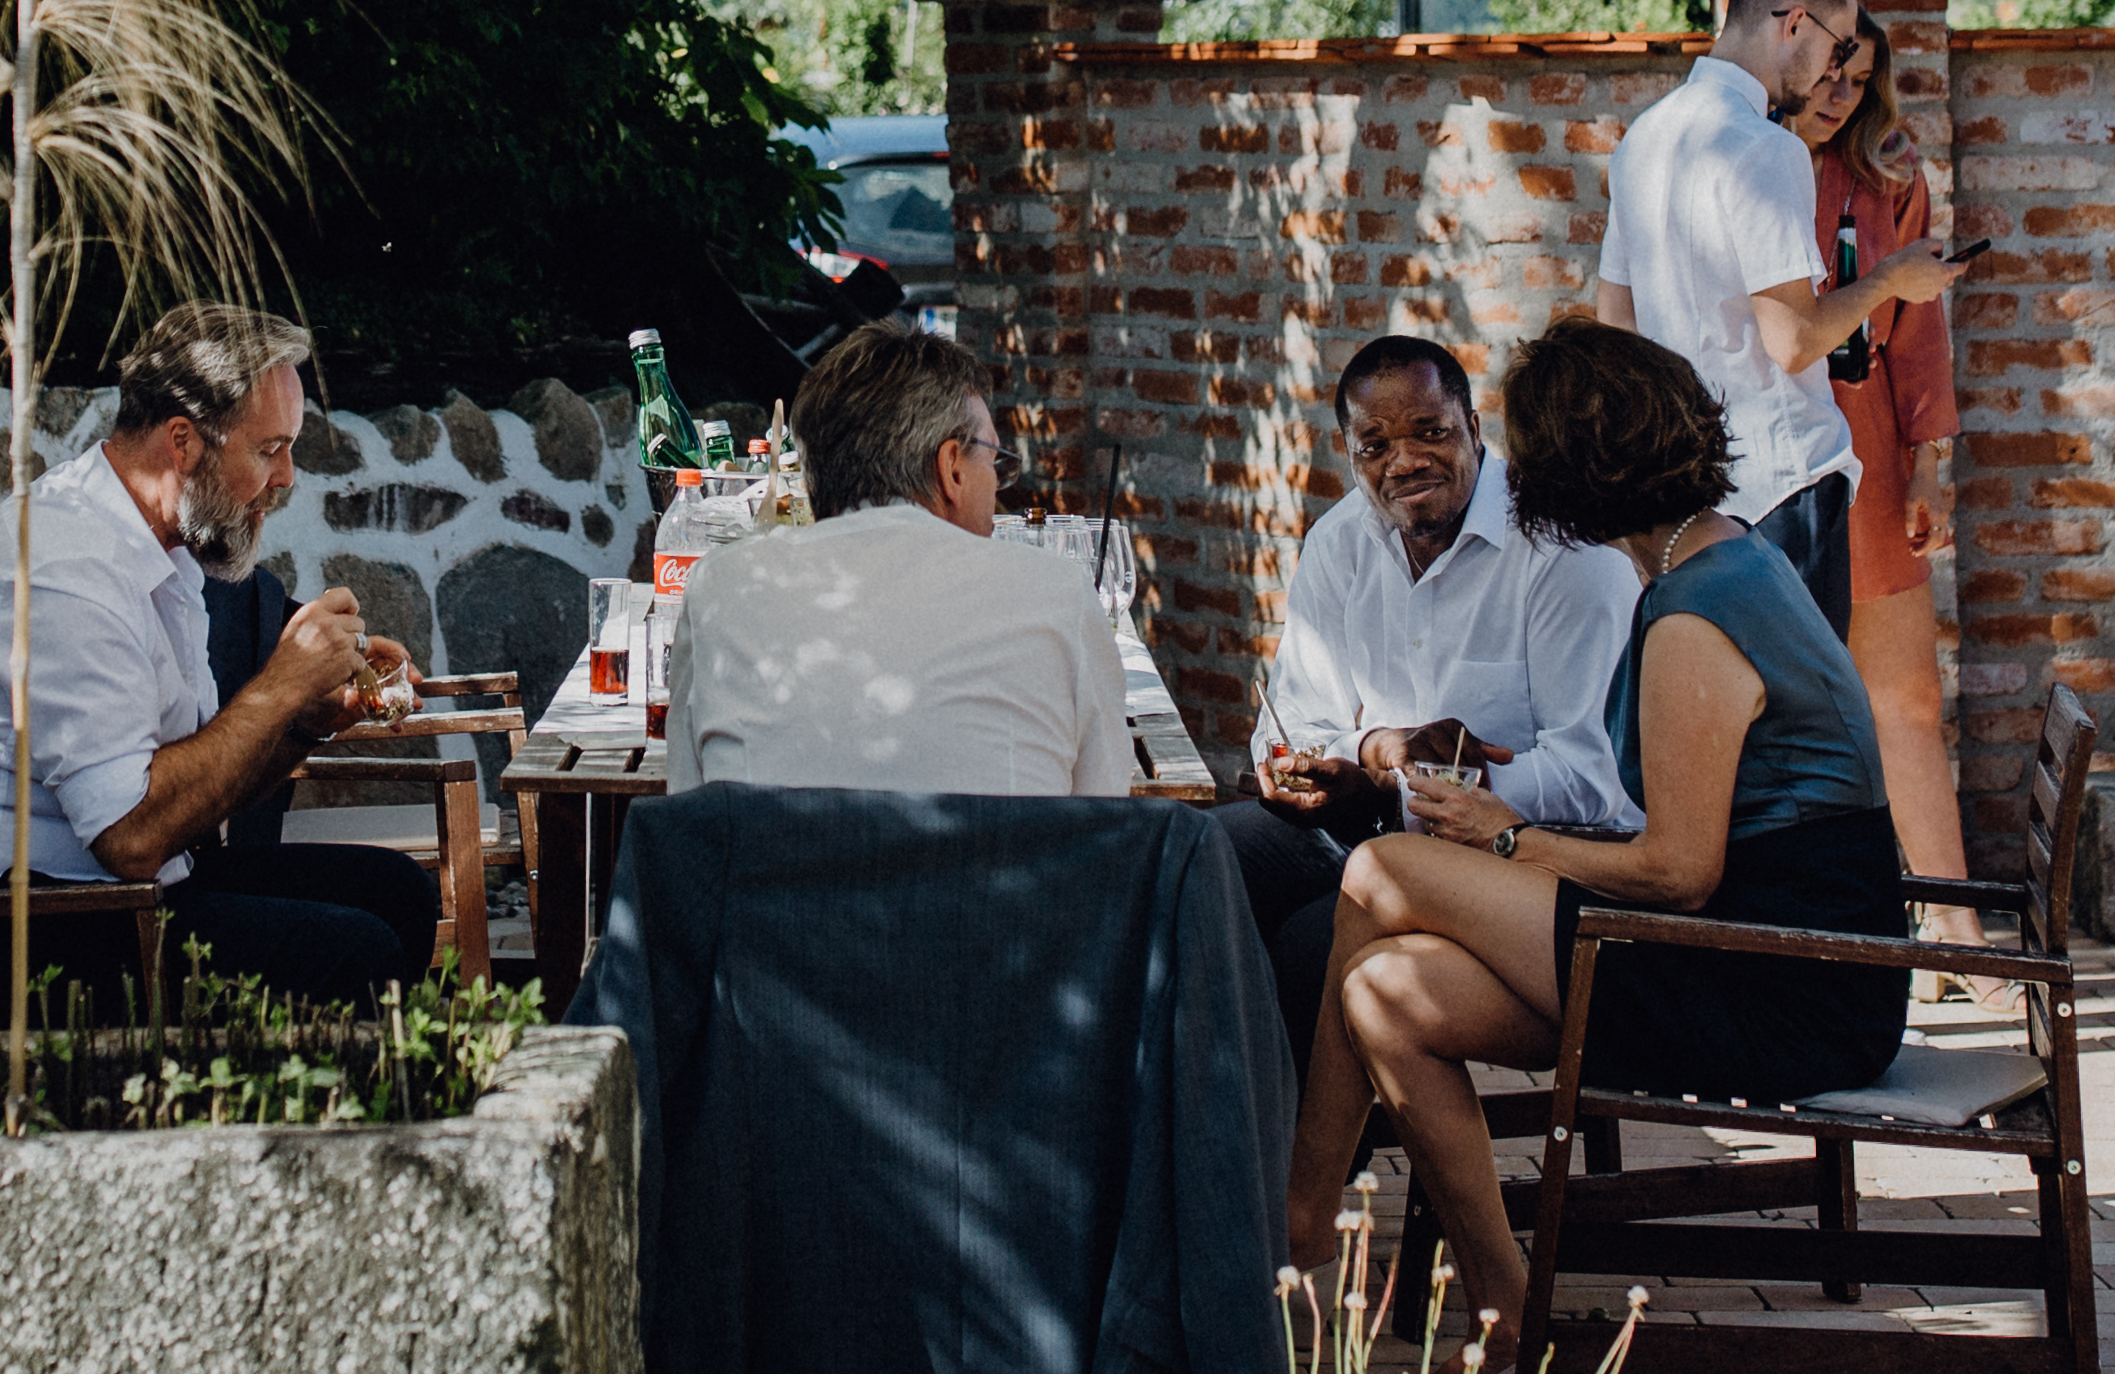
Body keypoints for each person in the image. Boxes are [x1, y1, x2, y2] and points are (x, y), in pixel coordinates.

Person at [1281, 318, 1909, 1368]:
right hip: (1726, 945)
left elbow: (1678, 866)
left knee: (1379, 868)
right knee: (1387, 990)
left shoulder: (1696, 614)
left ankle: (1300, 1227)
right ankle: (1507, 1307)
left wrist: (1510, 835)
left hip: (1787, 982)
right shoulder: (1709, 564)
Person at [0, 301, 437, 1001]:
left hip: (79, 894)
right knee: (352, 951)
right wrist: (278, 686)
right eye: (268, 449)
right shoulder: (68, 568)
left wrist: (306, 721)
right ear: (183, 443)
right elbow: (132, 839)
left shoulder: (163, 556)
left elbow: (192, 798)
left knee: (394, 893)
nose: (286, 479)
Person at [1225, 334, 1645, 1054]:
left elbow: (1597, 780)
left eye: (1430, 432)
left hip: (1517, 863)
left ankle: (1302, 1162)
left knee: (1304, 948)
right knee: (1201, 864)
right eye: (1375, 445)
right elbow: (1288, 725)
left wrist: (1447, 782)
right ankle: (1205, 1137)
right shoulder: (1340, 542)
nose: (1405, 462)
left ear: (1474, 428)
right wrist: (1366, 752)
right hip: (1365, 831)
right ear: (1349, 453)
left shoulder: (1564, 552)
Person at [1597, 0, 1961, 649]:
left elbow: (1613, 325)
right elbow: (1793, 341)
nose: (1835, 70)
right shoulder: (1768, 148)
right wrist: (1892, 278)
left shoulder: (1644, 137)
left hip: (1688, 495)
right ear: (1795, 22)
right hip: (1780, 488)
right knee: (1803, 736)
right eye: (1837, 47)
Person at [663, 320, 1122, 796]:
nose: (997, 482)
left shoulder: (720, 586)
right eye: (993, 460)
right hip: (990, 871)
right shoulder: (1057, 593)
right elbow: (1102, 815)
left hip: (778, 871)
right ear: (951, 468)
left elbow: (689, 813)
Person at [1779, 0, 1977, 918]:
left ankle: (1954, 922)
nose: (1841, 97)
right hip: (1769, 458)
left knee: (1905, 700)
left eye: (1859, 82)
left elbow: (1919, 334)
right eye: (1830, 75)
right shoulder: (1751, 161)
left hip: (1869, 449)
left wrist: (1929, 465)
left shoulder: (1892, 170)